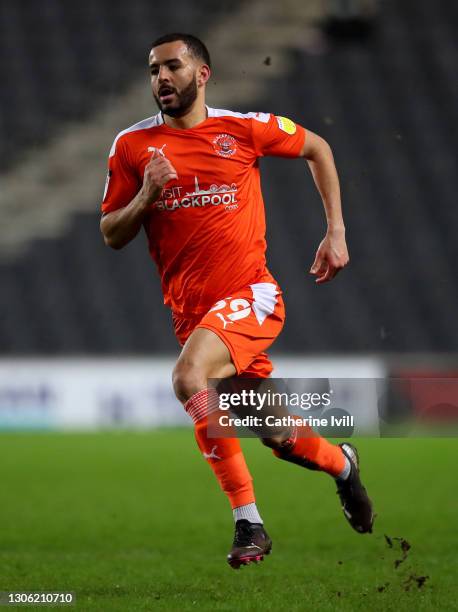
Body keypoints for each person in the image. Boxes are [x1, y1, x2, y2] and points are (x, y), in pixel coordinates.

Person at [100, 32, 374, 569]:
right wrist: (147, 195)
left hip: (253, 295)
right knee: (276, 433)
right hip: (193, 316)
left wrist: (335, 232)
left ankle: (249, 523)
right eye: (153, 69)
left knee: (187, 379)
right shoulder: (131, 147)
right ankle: (343, 465)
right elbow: (111, 232)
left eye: (172, 66)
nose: (161, 78)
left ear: (202, 74)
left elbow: (318, 146)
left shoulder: (242, 129)